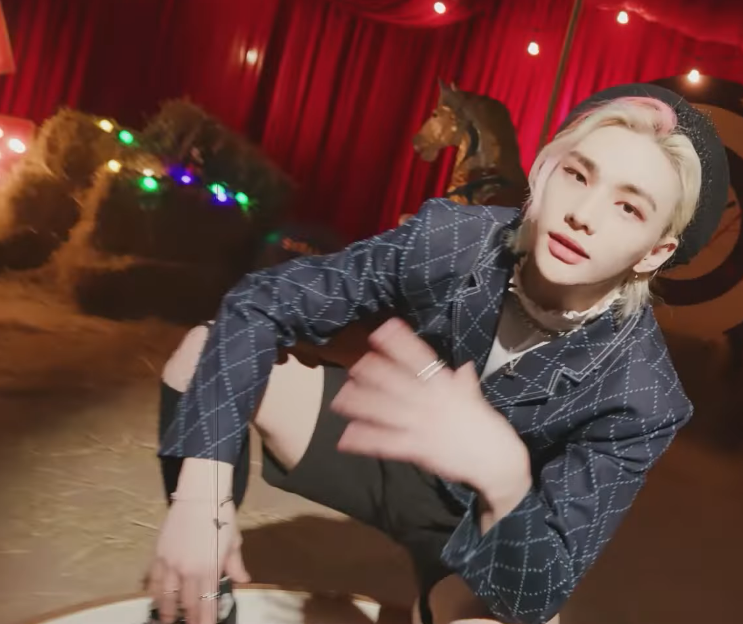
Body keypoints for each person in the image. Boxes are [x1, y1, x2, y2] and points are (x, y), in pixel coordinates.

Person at [147, 83, 728, 624]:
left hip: (480, 519)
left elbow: (541, 588)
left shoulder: (643, 396)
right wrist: (201, 501)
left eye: (629, 208)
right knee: (201, 354)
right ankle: (201, 594)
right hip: (379, 441)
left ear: (655, 252)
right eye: (578, 175)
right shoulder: (453, 238)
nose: (584, 214)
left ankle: (439, 594)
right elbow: (260, 302)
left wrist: (505, 475)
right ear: (546, 172)